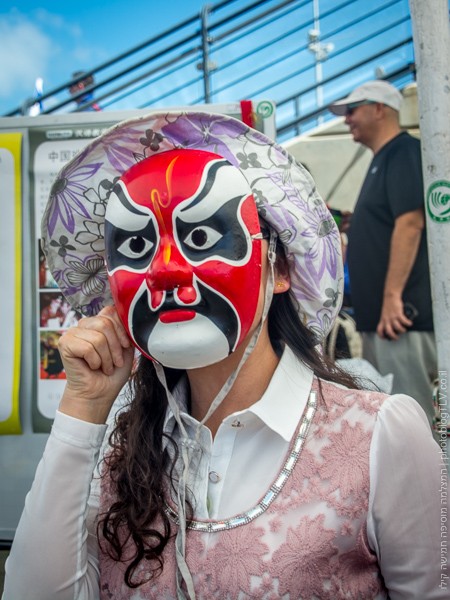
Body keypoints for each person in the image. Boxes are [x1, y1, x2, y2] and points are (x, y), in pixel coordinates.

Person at [3, 112, 445, 599]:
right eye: (136, 245)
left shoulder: (380, 435)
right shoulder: (114, 450)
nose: (165, 271)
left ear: (277, 268)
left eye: (200, 237)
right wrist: (82, 409)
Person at [328, 80, 437, 428]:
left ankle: (436, 484)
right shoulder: (383, 159)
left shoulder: (403, 152)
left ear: (380, 109)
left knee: (414, 420)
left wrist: (392, 298)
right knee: (396, 416)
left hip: (401, 319)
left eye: (352, 110)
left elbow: (410, 224)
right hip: (385, 321)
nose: (346, 119)